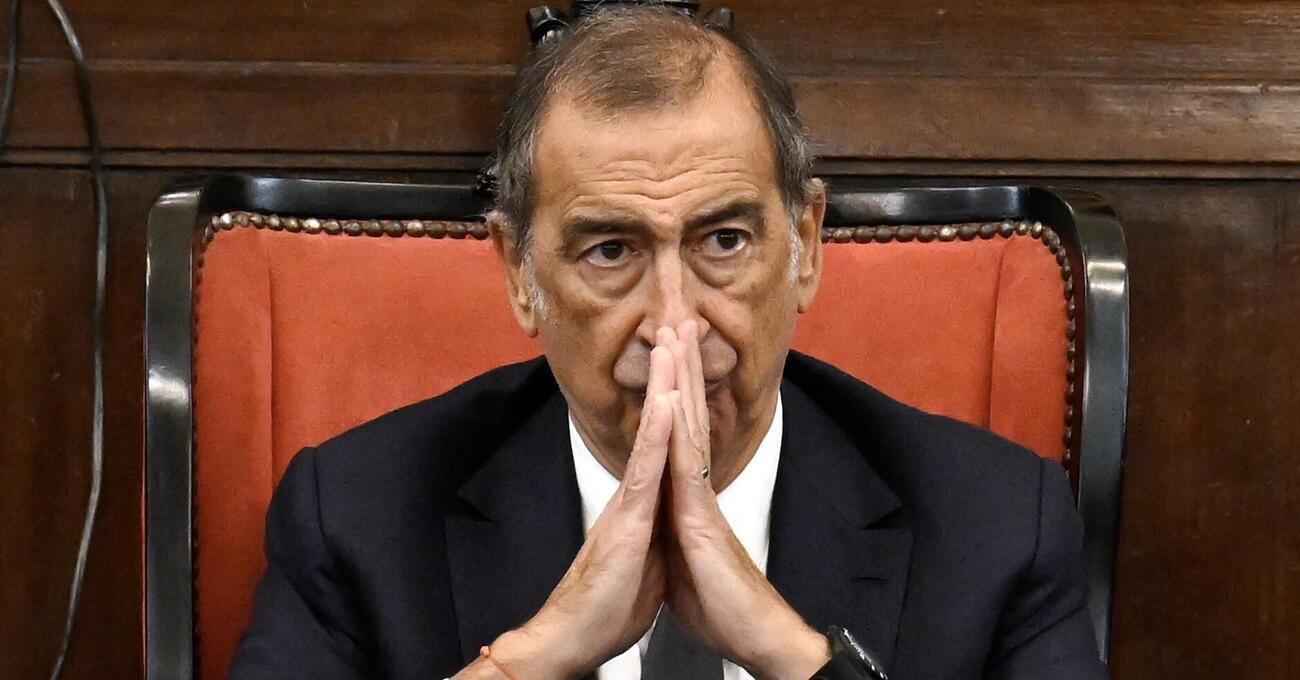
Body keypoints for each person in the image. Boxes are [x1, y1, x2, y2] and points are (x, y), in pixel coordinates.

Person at [231, 7, 1108, 680]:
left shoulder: (996, 526)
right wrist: (532, 659)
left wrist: (793, 655)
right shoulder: (357, 518)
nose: (673, 326)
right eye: (611, 252)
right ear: (518, 275)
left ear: (805, 247)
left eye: (723, 241)